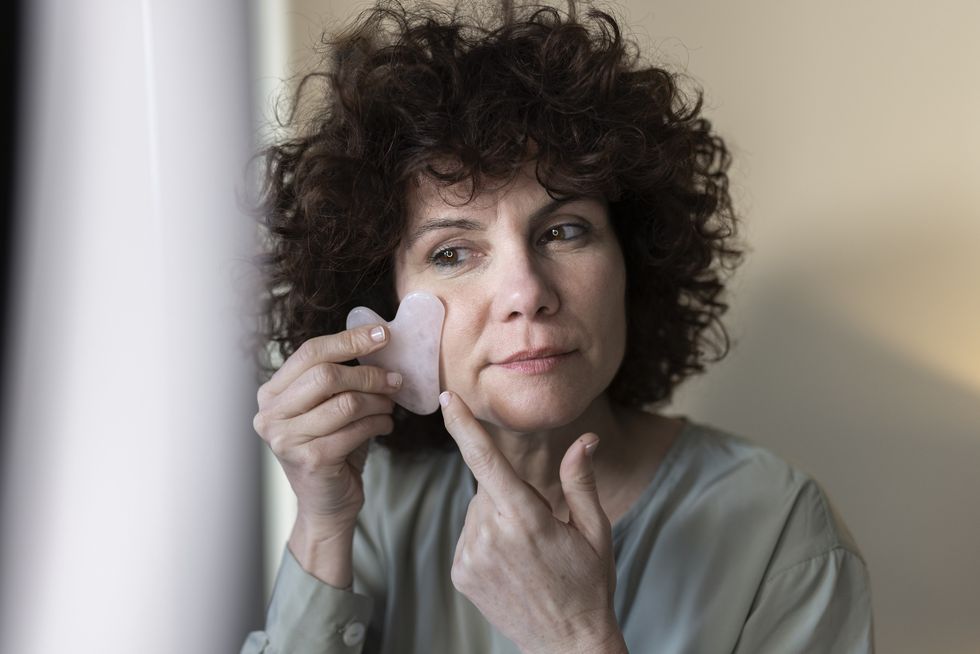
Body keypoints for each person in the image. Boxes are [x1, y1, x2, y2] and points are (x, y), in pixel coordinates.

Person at [242, 1, 874, 652]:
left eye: (563, 231)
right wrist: (322, 529)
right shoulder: (378, 505)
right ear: (385, 301)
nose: (526, 293)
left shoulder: (778, 531)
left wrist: (575, 636)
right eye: (453, 253)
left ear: (633, 259)